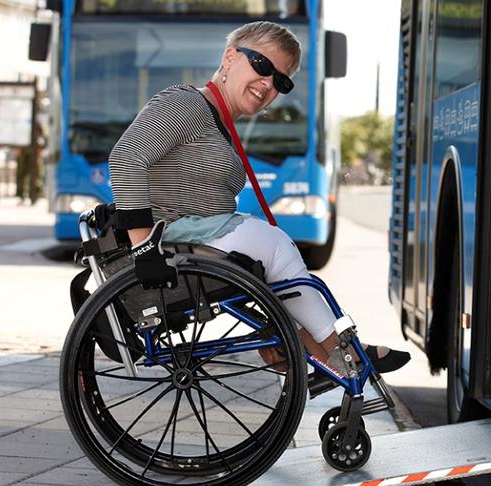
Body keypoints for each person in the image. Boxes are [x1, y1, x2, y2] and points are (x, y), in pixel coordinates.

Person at [108, 21, 409, 376]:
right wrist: (144, 249)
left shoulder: (217, 121)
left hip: (195, 239)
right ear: (230, 57)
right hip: (173, 239)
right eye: (262, 66)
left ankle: (321, 352)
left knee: (281, 265)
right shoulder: (185, 104)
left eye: (280, 81)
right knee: (275, 245)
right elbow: (126, 159)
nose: (268, 84)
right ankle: (342, 351)